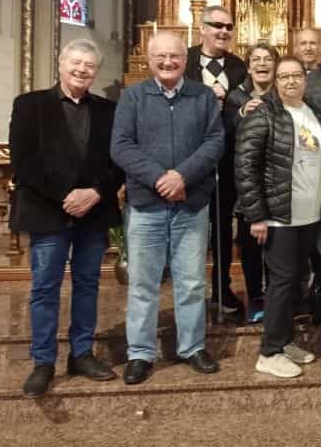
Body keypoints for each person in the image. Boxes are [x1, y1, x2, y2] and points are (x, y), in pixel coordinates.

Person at [10, 39, 124, 398]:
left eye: (89, 66)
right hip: (48, 212)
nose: (81, 70)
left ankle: (82, 354)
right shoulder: (29, 105)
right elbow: (23, 161)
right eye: (75, 63)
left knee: (88, 285)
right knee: (45, 288)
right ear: (60, 64)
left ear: (96, 71)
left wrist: (94, 193)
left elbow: (119, 160)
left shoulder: (110, 110)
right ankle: (43, 362)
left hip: (93, 211)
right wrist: (65, 196)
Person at [111, 31, 225, 385]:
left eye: (174, 56)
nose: (167, 62)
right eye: (160, 56)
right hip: (147, 205)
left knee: (191, 281)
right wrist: (162, 178)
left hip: (190, 204)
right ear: (149, 60)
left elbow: (215, 142)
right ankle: (141, 353)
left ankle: (192, 346)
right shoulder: (133, 97)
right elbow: (121, 147)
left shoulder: (203, 96)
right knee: (143, 283)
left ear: (184, 59)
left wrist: (183, 177)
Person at [236, 56, 321, 378]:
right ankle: (269, 351)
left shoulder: (315, 112)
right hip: (279, 215)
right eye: (284, 77)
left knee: (297, 281)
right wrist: (257, 215)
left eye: (296, 76)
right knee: (280, 282)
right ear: (275, 82)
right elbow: (246, 167)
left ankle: (286, 339)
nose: (291, 82)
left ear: (306, 79)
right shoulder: (264, 113)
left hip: (309, 213)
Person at [184, 5, 247, 317]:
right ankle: (190, 292)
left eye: (228, 26)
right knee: (191, 230)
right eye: (217, 25)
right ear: (202, 28)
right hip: (190, 159)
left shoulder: (239, 67)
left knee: (222, 227)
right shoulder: (184, 61)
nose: (223, 31)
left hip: (227, 159)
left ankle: (222, 289)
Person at [223, 43, 279, 323]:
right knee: (250, 245)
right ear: (248, 67)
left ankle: (278, 297)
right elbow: (223, 131)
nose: (261, 63)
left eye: (267, 59)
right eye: (255, 59)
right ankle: (255, 297)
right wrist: (242, 114)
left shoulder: (283, 94)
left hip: (279, 184)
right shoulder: (236, 97)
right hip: (247, 186)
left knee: (278, 246)